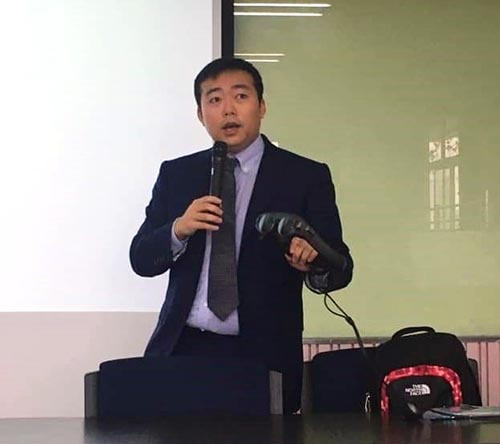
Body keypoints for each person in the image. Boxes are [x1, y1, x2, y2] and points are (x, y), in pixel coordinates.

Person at [129, 57, 353, 413]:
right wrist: (178, 229)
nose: (228, 110)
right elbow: (141, 258)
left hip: (263, 355)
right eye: (214, 100)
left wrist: (313, 258)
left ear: (261, 106)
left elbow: (340, 268)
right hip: (184, 349)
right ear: (201, 115)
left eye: (240, 96)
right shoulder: (178, 174)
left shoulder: (304, 176)